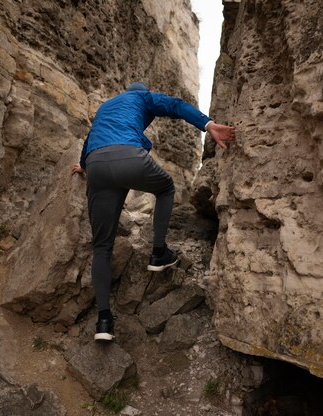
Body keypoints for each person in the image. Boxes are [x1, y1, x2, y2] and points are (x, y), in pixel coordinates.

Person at [71, 82, 235, 341]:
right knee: (166, 187)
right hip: (128, 156)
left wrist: (83, 165)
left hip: (97, 165)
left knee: (102, 246)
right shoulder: (141, 97)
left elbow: (91, 138)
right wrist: (208, 124)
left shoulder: (106, 106)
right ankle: (158, 253)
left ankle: (103, 322)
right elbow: (175, 105)